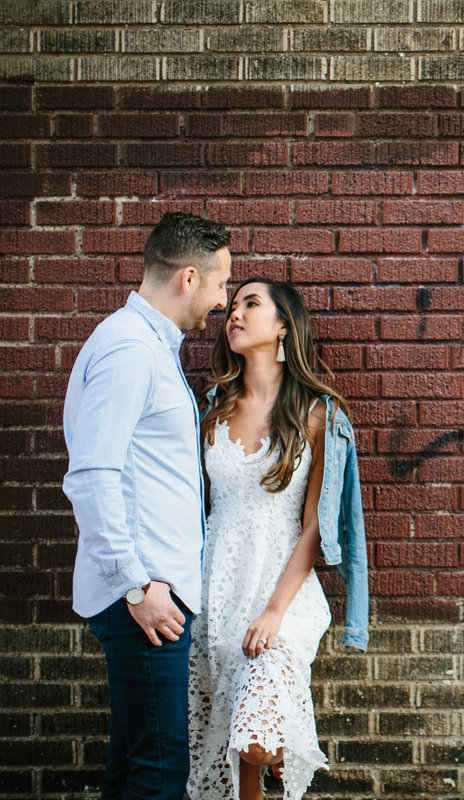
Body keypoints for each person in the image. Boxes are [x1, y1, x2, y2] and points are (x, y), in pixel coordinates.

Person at [63, 212, 232, 800]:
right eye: (220, 283)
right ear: (189, 277)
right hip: (143, 601)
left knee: (134, 768)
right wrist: (136, 586)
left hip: (149, 597)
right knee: (158, 773)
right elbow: (90, 475)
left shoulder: (145, 346)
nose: (223, 299)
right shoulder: (130, 350)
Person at [188, 277, 368, 800]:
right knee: (229, 745)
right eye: (233, 306)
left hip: (282, 597)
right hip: (215, 591)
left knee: (257, 742)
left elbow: (316, 527)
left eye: (251, 304)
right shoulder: (211, 409)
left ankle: (277, 752)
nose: (234, 315)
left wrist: (272, 612)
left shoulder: (317, 415)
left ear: (284, 326)